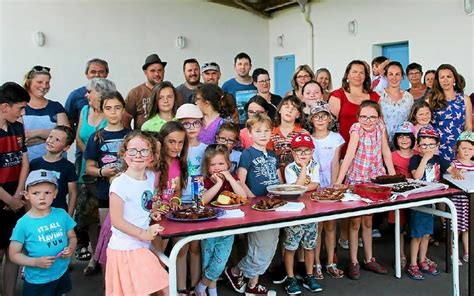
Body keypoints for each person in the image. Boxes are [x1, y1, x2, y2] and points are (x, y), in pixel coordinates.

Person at [335, 100, 395, 280]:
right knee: (355, 221)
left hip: (374, 178)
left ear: (379, 118)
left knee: (369, 220)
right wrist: (339, 181)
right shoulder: (356, 130)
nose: (368, 121)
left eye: (372, 117)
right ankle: (354, 261)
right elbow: (349, 156)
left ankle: (369, 258)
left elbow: (386, 152)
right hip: (357, 179)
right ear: (358, 117)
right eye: (363, 117)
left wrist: (393, 178)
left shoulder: (381, 128)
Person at [106, 131, 168, 295]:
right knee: (164, 285)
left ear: (151, 157)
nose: (138, 155)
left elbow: (142, 204)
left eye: (144, 151)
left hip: (141, 245)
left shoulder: (149, 177)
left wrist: (151, 213)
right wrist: (144, 233)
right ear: (125, 154)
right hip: (126, 248)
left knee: (156, 288)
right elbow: (117, 221)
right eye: (133, 150)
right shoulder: (119, 184)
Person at [225, 113, 281, 295]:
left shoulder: (272, 154)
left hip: (273, 205)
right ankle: (237, 273)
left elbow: (279, 180)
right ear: (249, 133)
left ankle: (251, 284)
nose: (263, 134)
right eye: (258, 131)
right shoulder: (247, 154)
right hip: (257, 207)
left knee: (271, 244)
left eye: (266, 130)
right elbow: (240, 181)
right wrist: (253, 201)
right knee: (260, 246)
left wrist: (281, 194)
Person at [84, 91, 131, 275]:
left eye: (117, 108)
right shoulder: (97, 137)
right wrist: (102, 172)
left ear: (124, 110)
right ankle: (108, 280)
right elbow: (89, 167)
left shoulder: (131, 135)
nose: (113, 112)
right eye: (108, 108)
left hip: (129, 194)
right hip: (106, 193)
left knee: (128, 238)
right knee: (109, 237)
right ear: (102, 111)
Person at [9, 169, 77, 296]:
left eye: (47, 192)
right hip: (37, 280)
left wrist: (71, 248)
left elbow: (72, 236)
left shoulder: (61, 214)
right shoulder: (23, 223)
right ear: (27, 195)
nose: (42, 197)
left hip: (61, 271)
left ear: (55, 193)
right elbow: (13, 254)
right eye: (36, 193)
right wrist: (35, 262)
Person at [196, 144, 247, 296]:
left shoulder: (232, 178)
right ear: (207, 166)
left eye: (221, 164)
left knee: (220, 260)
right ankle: (212, 290)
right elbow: (202, 201)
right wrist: (217, 184)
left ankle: (201, 286)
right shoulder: (204, 180)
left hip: (228, 226)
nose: (217, 168)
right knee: (208, 260)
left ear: (228, 164)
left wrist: (230, 178)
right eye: (213, 164)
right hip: (209, 226)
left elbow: (242, 197)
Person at [74, 77, 113, 265]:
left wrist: (96, 159)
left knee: (105, 216)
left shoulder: (112, 112)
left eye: (90, 91)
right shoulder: (84, 110)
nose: (86, 95)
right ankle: (95, 257)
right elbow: (79, 137)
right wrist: (90, 154)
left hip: (107, 172)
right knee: (90, 217)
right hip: (86, 169)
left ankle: (107, 256)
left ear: (101, 93)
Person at [407, 127, 450, 280]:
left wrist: (457, 172)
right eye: (424, 145)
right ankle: (412, 263)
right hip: (419, 202)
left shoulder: (438, 160)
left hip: (432, 202)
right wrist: (424, 159)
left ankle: (422, 260)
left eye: (431, 145)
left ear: (437, 146)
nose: (428, 148)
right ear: (418, 146)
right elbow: (417, 176)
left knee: (426, 235)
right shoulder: (416, 159)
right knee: (417, 235)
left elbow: (451, 168)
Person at [283, 133, 323, 294]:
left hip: (311, 210)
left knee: (309, 245)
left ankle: (308, 275)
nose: (303, 154)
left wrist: (303, 187)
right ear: (293, 153)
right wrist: (305, 169)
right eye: (299, 151)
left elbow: (315, 184)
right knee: (291, 246)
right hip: (294, 212)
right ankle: (290, 277)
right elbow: (295, 189)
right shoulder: (289, 168)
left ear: (312, 152)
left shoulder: (315, 165)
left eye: (306, 151)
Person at [0, 82, 29, 296]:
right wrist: (9, 200)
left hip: (16, 196)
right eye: (20, 108)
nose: (23, 112)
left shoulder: (18, 128)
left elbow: (24, 161)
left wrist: (18, 195)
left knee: (13, 250)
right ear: (4, 107)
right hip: (3, 199)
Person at [310, 101, 345, 280]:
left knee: (331, 226)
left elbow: (335, 163)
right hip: (315, 186)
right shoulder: (309, 138)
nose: (320, 119)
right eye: (316, 116)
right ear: (311, 119)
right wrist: (317, 189)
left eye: (324, 116)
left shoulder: (336, 138)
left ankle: (330, 262)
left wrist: (333, 188)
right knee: (318, 227)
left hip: (330, 185)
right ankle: (316, 263)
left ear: (330, 119)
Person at [175, 103, 206, 294]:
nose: (192, 127)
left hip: (198, 202)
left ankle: (195, 287)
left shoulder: (205, 148)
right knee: (181, 247)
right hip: (178, 203)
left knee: (196, 247)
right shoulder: (176, 149)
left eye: (196, 123)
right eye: (187, 124)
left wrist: (199, 203)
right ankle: (181, 288)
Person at [427, 64, 472, 163]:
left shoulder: (464, 99)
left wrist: (464, 147)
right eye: (442, 77)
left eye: (449, 76)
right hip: (436, 149)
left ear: (454, 79)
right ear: (438, 81)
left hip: (457, 148)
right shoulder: (431, 100)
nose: (445, 80)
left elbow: (468, 126)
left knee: (459, 176)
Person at [22, 66, 69, 161]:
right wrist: (53, 138)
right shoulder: (20, 106)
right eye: (39, 82)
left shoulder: (56, 106)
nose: (44, 86)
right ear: (28, 83)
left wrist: (35, 133)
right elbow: (20, 139)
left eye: (47, 83)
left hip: (55, 163)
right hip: (26, 162)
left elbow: (66, 134)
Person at [29, 125, 77, 216]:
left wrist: (69, 218)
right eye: (50, 137)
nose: (51, 141)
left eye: (57, 140)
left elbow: (73, 193)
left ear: (66, 147)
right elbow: (27, 189)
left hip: (59, 213)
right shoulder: (34, 164)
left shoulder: (68, 167)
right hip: (36, 213)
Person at [389, 121, 416, 270]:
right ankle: (401, 255)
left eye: (407, 137)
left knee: (415, 226)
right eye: (401, 137)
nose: (404, 140)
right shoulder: (392, 156)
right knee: (399, 227)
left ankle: (418, 256)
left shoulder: (418, 154)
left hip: (415, 195)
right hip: (398, 195)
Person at [448, 131, 474, 264]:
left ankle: (467, 252)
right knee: (456, 228)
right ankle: (453, 253)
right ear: (457, 148)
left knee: (467, 228)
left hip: (470, 201)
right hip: (458, 201)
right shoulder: (455, 163)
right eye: (464, 148)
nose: (467, 151)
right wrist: (456, 171)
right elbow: (448, 170)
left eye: (470, 148)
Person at [123, 53, 167, 130]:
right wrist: (131, 136)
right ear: (145, 72)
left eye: (160, 70)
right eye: (152, 71)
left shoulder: (172, 92)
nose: (157, 74)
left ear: (164, 71)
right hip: (143, 139)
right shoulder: (136, 93)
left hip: (167, 139)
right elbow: (125, 118)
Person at [65, 58, 109, 134]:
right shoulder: (76, 95)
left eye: (101, 72)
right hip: (83, 142)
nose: (97, 75)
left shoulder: (113, 95)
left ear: (106, 74)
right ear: (87, 74)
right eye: (93, 72)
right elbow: (68, 120)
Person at [268, 95, 307, 176]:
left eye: (294, 109)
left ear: (298, 115)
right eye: (286, 107)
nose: (289, 110)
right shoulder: (270, 133)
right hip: (276, 178)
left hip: (297, 178)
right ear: (279, 110)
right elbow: (268, 158)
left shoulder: (303, 134)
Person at [379, 61, 414, 144]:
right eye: (391, 74)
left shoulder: (409, 97)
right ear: (386, 76)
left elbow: (411, 120)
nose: (394, 78)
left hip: (402, 143)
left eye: (397, 74)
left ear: (402, 76)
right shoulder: (379, 95)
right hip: (381, 142)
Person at [222, 52, 257, 125]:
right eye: (240, 64)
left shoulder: (257, 83)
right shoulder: (227, 86)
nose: (243, 67)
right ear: (235, 66)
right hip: (235, 128)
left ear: (250, 66)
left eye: (246, 64)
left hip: (256, 127)